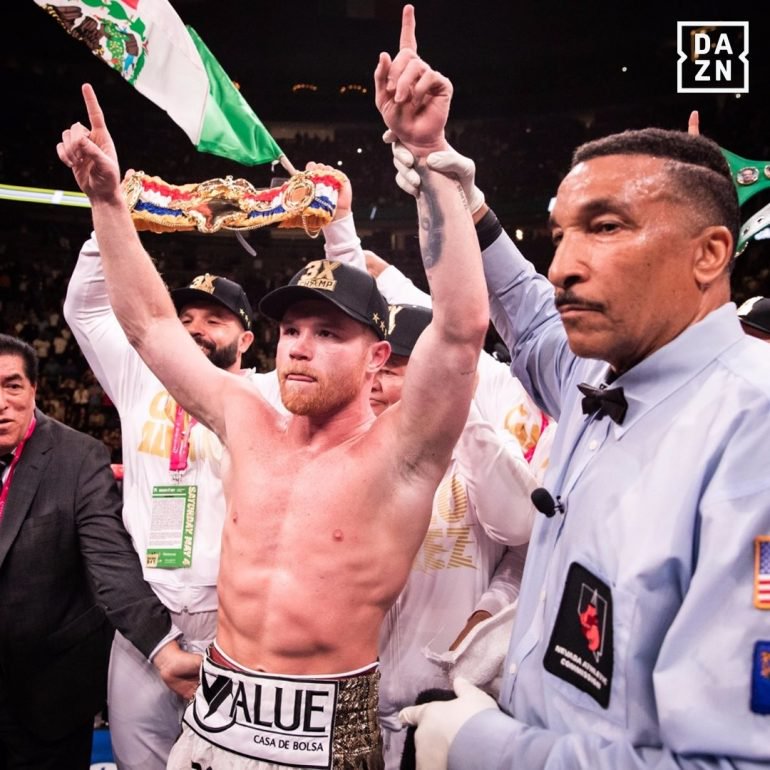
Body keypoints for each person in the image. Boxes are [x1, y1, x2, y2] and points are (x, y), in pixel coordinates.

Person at [56, 5, 489, 768]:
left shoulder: (402, 453)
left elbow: (459, 330)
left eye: (328, 333)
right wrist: (108, 204)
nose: (300, 348)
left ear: (377, 357)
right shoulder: (246, 420)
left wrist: (429, 156)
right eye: (290, 330)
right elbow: (151, 326)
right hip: (213, 719)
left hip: (326, 732)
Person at [387, 94, 770, 770]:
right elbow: (529, 311)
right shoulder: (598, 369)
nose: (561, 265)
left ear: (710, 254)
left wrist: (486, 748)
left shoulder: (753, 428)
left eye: (606, 227)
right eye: (561, 234)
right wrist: (454, 186)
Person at [63, 250, 283, 769]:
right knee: (138, 759)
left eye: (214, 319)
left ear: (246, 340)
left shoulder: (271, 394)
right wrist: (110, 217)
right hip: (146, 619)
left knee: (237, 761)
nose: (195, 329)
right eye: (184, 318)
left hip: (238, 620)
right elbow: (84, 308)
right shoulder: (138, 378)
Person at [0, 334, 199, 769]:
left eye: (12, 386)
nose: (1, 403)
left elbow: (111, 563)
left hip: (45, 698)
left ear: (34, 389)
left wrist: (163, 650)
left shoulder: (77, 457)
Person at [366, 301, 538, 769]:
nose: (375, 382)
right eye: (373, 368)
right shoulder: (353, 455)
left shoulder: (481, 450)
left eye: (394, 370)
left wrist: (462, 414)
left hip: (442, 706)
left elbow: (520, 531)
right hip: (354, 708)